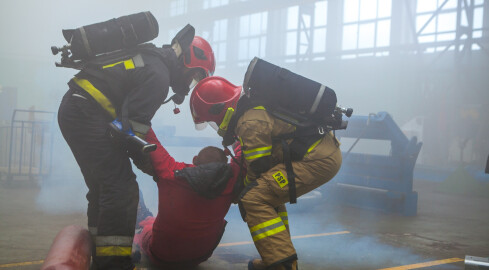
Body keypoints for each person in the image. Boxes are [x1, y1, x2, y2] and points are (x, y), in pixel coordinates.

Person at [57, 25, 215, 269]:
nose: (190, 83)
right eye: (194, 75)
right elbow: (132, 132)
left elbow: (129, 130)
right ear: (186, 60)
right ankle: (113, 262)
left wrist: (149, 163)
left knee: (103, 188)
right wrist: (155, 171)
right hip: (85, 114)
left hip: (78, 111)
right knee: (121, 189)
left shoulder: (154, 61)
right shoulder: (159, 76)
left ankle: (103, 254)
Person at [189, 76, 343, 270]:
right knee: (267, 195)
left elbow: (257, 169)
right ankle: (278, 256)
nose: (217, 125)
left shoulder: (248, 122)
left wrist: (240, 191)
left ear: (220, 109)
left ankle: (281, 264)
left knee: (253, 198)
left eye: (212, 120)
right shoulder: (251, 109)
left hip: (316, 160)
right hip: (318, 154)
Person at [132, 128, 242, 269]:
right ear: (226, 166)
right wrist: (236, 134)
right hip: (200, 256)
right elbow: (244, 153)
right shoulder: (232, 179)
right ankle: (146, 218)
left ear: (195, 160)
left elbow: (152, 140)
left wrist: (140, 111)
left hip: (161, 257)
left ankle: (142, 222)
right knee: (152, 222)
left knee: (146, 229)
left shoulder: (171, 173)